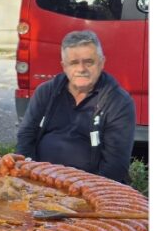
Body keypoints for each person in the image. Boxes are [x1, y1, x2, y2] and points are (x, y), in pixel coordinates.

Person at [16, 30, 135, 183]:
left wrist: (82, 193)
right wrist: (29, 174)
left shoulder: (119, 102)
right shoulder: (45, 92)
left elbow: (115, 165)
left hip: (89, 188)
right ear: (64, 66)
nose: (81, 69)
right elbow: (26, 136)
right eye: (73, 63)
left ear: (101, 62)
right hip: (40, 181)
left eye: (89, 62)